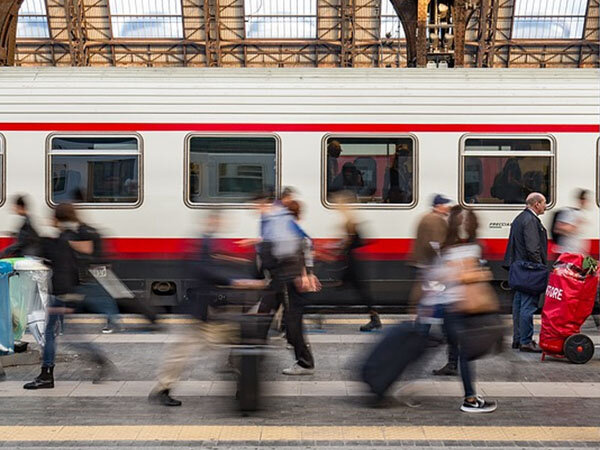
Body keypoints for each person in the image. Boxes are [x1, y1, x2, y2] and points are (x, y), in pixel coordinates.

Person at [149, 211, 265, 406]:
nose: (221, 223)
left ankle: (243, 387)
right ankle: (163, 389)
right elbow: (204, 270)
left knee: (238, 343)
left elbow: (213, 265)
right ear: (211, 220)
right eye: (218, 219)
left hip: (211, 311)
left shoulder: (208, 242)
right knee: (183, 350)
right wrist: (236, 281)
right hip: (200, 311)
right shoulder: (201, 243)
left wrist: (233, 265)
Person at [23, 204, 114, 390]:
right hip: (69, 292)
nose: (49, 220)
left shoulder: (61, 240)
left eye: (52, 217)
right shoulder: (71, 238)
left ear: (57, 219)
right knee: (68, 335)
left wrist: (61, 295)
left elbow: (64, 268)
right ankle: (97, 360)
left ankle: (47, 374)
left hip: (61, 294)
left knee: (54, 334)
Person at [431, 206, 497, 413]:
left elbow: (438, 277)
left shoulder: (445, 249)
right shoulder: (473, 249)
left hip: (449, 307)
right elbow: (474, 275)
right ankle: (470, 399)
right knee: (466, 353)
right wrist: (478, 274)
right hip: (465, 309)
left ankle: (470, 396)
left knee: (456, 350)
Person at [504, 192, 548, 353]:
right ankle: (526, 341)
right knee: (528, 306)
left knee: (518, 305)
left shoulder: (520, 218)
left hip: (519, 269)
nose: (545, 206)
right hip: (529, 270)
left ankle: (518, 339)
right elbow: (532, 248)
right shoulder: (530, 220)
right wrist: (540, 267)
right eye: (544, 203)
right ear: (536, 204)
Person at [333, 191, 381, 332]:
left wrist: (343, 245)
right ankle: (374, 319)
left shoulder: (350, 221)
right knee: (361, 292)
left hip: (352, 264)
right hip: (352, 262)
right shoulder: (350, 220)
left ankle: (375, 319)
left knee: (360, 292)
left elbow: (355, 242)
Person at [554, 189, 590, 255]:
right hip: (567, 253)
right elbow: (558, 228)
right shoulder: (570, 212)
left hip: (577, 253)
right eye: (587, 200)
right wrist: (576, 224)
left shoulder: (582, 213)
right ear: (582, 200)